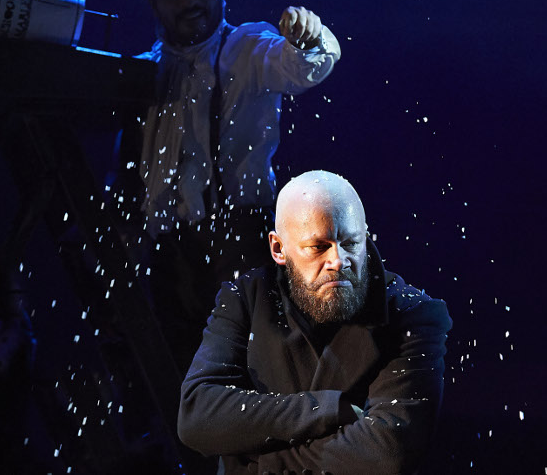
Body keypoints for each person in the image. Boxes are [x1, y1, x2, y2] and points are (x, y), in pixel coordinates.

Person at [115, 0, 341, 376]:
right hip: (167, 256)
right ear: (154, 2)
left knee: (246, 383)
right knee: (175, 381)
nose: (191, 0)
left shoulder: (246, 48)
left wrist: (311, 35)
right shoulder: (145, 73)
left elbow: (304, 65)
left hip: (239, 245)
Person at [178, 170, 453, 474]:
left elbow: (388, 452)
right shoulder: (245, 299)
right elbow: (196, 415)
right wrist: (328, 410)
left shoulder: (413, 314)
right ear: (278, 249)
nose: (338, 260)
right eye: (318, 247)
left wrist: (254, 462)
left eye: (350, 242)